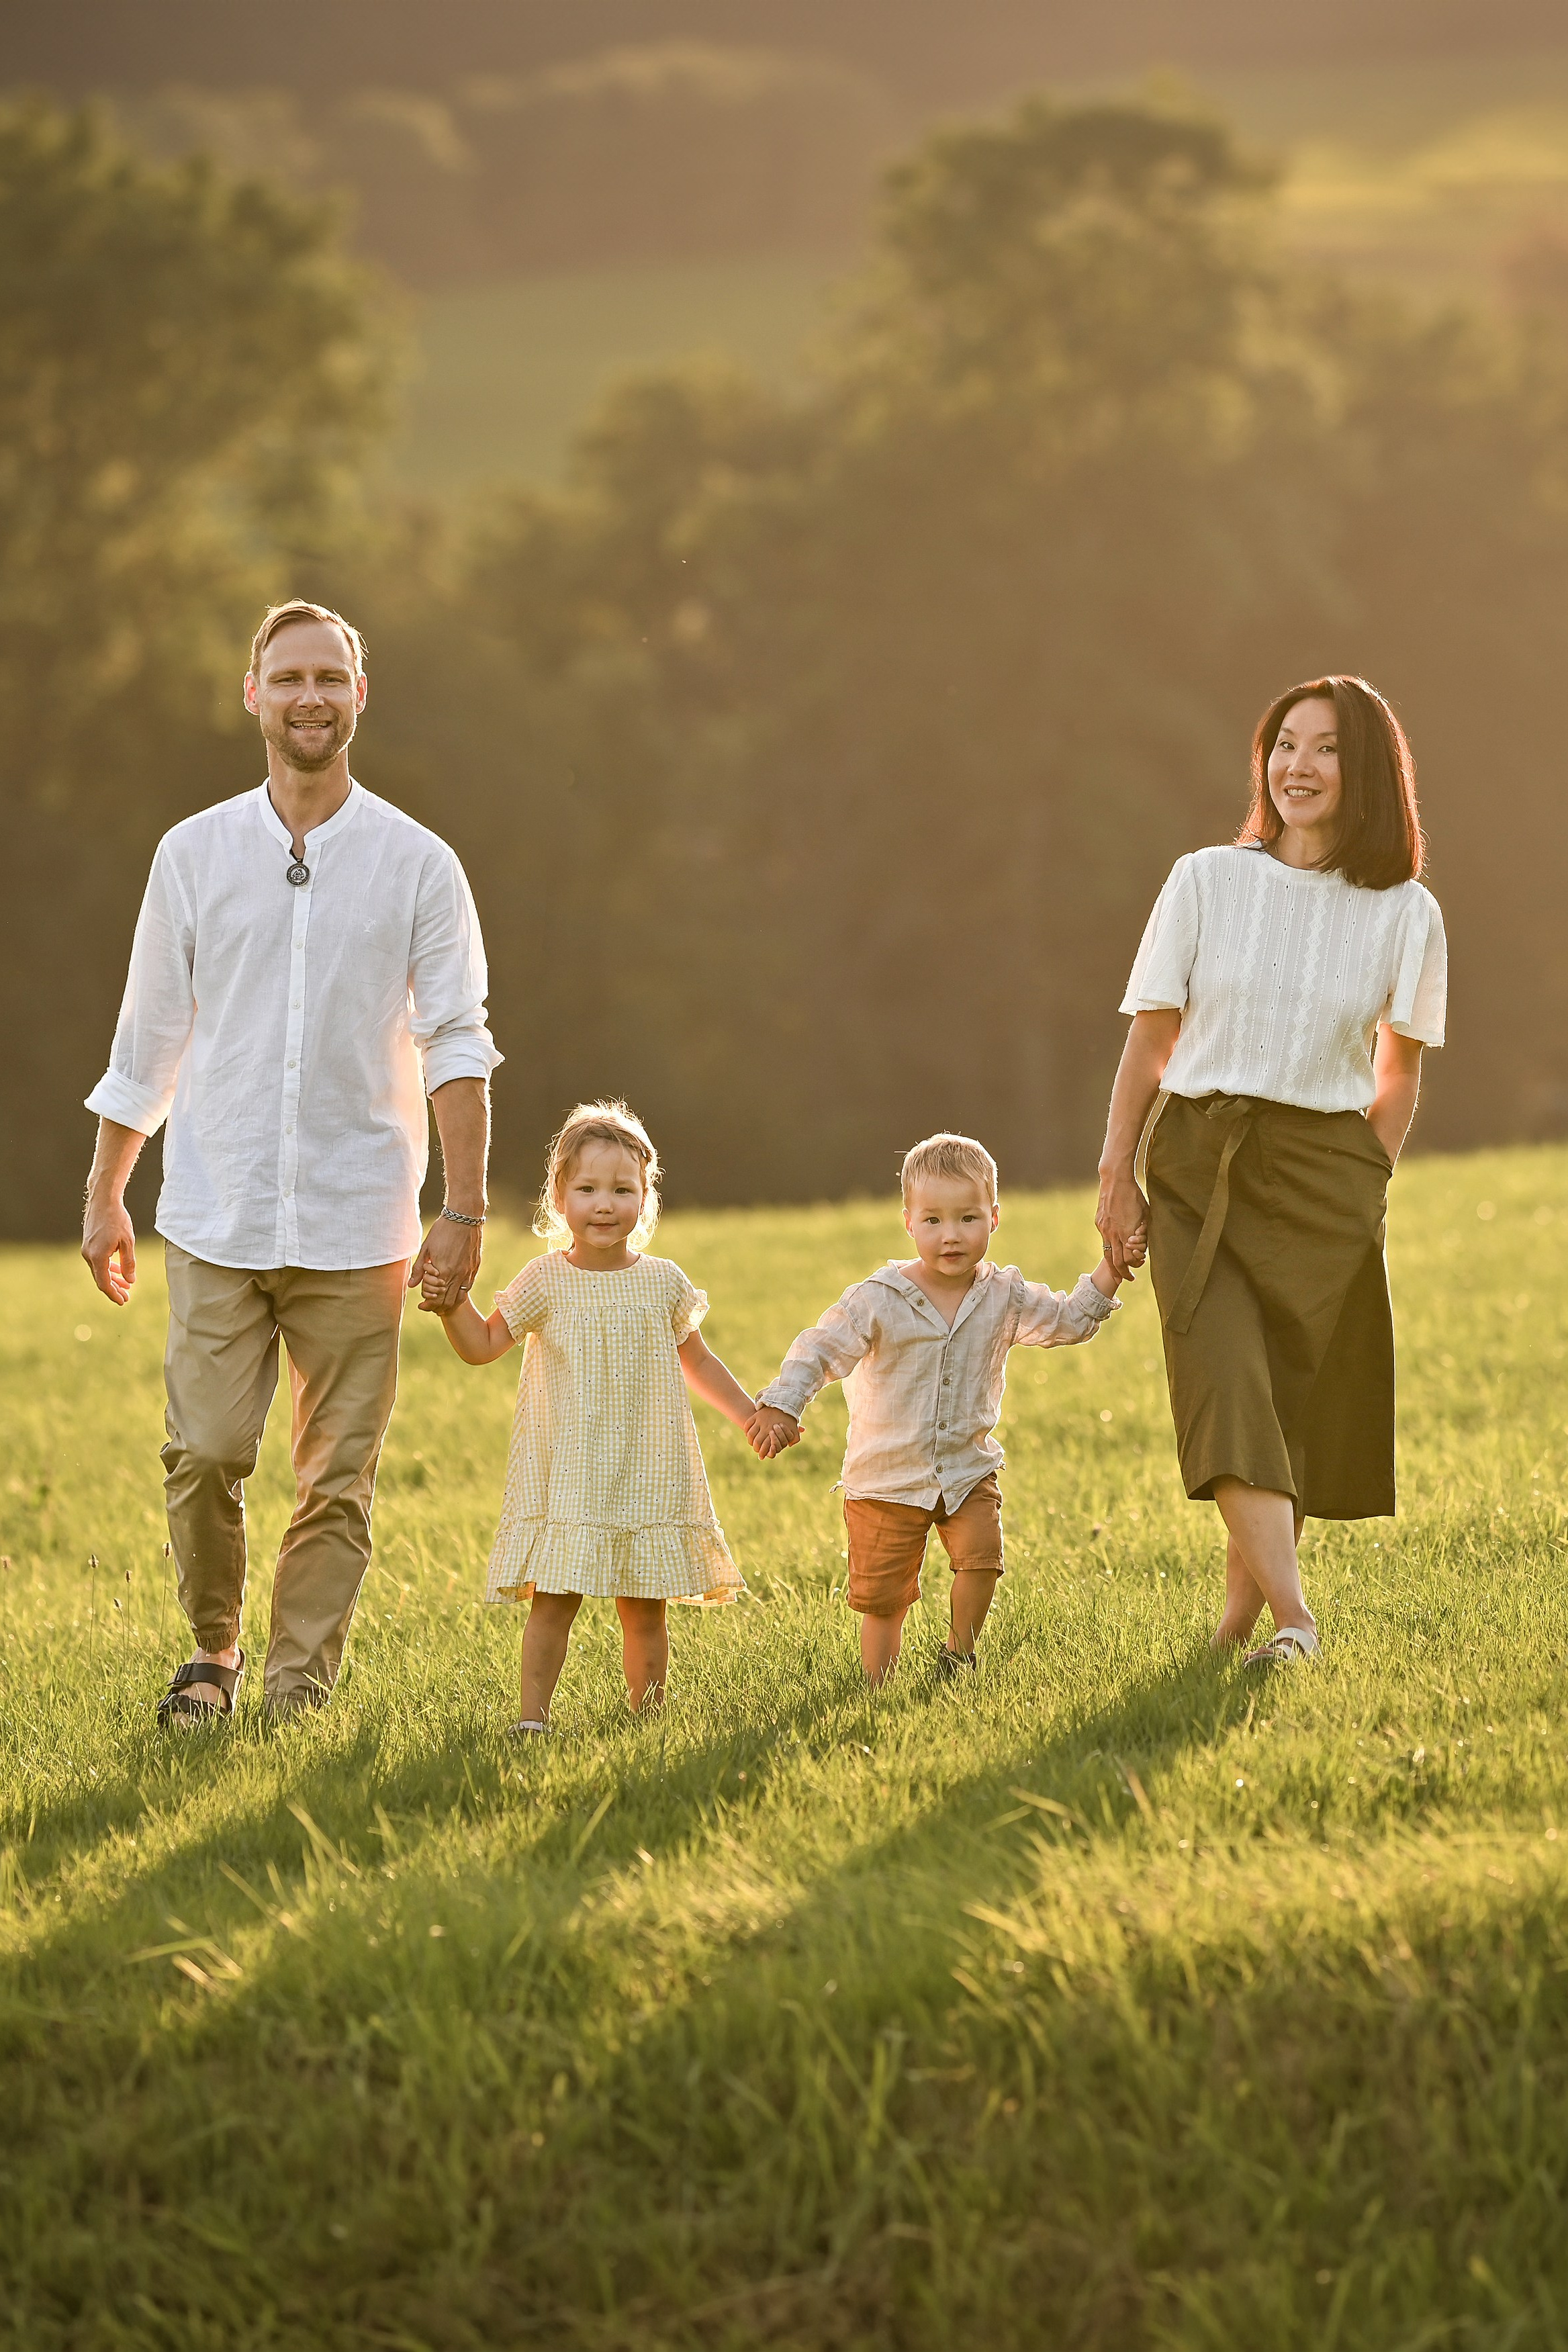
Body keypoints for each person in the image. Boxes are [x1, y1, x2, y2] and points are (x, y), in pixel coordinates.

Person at [81, 598, 501, 1725]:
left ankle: (294, 1691)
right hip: (216, 1211)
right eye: (289, 677)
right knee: (204, 1451)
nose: (308, 696)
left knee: (337, 1480)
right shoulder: (193, 853)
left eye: (328, 677)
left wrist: (463, 1208)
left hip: (361, 1221)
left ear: (359, 696)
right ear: (253, 695)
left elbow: (458, 1039)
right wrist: (106, 1190)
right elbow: (147, 1039)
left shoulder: (419, 863)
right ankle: (214, 1647)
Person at [1096, 674, 1447, 1666]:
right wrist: (1116, 1171)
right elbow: (1151, 1038)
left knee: (1285, 1402)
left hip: (1324, 1173)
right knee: (1222, 1381)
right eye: (1284, 743)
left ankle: (1239, 1627)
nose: (1298, 765)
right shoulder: (1203, 879)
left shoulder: (1404, 910)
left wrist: (1364, 1183)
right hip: (1198, 1160)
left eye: (1325, 747)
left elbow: (1398, 1071)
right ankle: (1298, 1621)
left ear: (1364, 770)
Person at [428, 1100, 761, 1733]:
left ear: (645, 1198)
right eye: (587, 1190)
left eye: (622, 1190)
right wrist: (452, 1307)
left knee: (645, 1609)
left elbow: (698, 1360)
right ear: (559, 1198)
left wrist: (750, 1415)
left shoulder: (663, 1283)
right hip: (572, 1473)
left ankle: (646, 1718)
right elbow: (482, 1346)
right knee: (554, 1602)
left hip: (646, 1467)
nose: (604, 1205)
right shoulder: (545, 1281)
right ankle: (533, 1720)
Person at [750, 1132, 1123, 1684]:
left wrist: (1112, 1266)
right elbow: (818, 1351)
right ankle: (877, 1687)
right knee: (884, 1600)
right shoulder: (876, 1299)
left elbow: (1069, 1321)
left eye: (967, 1219)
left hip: (966, 1469)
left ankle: (958, 1656)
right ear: (908, 1222)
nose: (951, 1235)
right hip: (886, 1479)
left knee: (982, 1561)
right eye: (932, 1221)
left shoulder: (1005, 1295)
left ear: (993, 1218)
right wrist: (782, 1406)